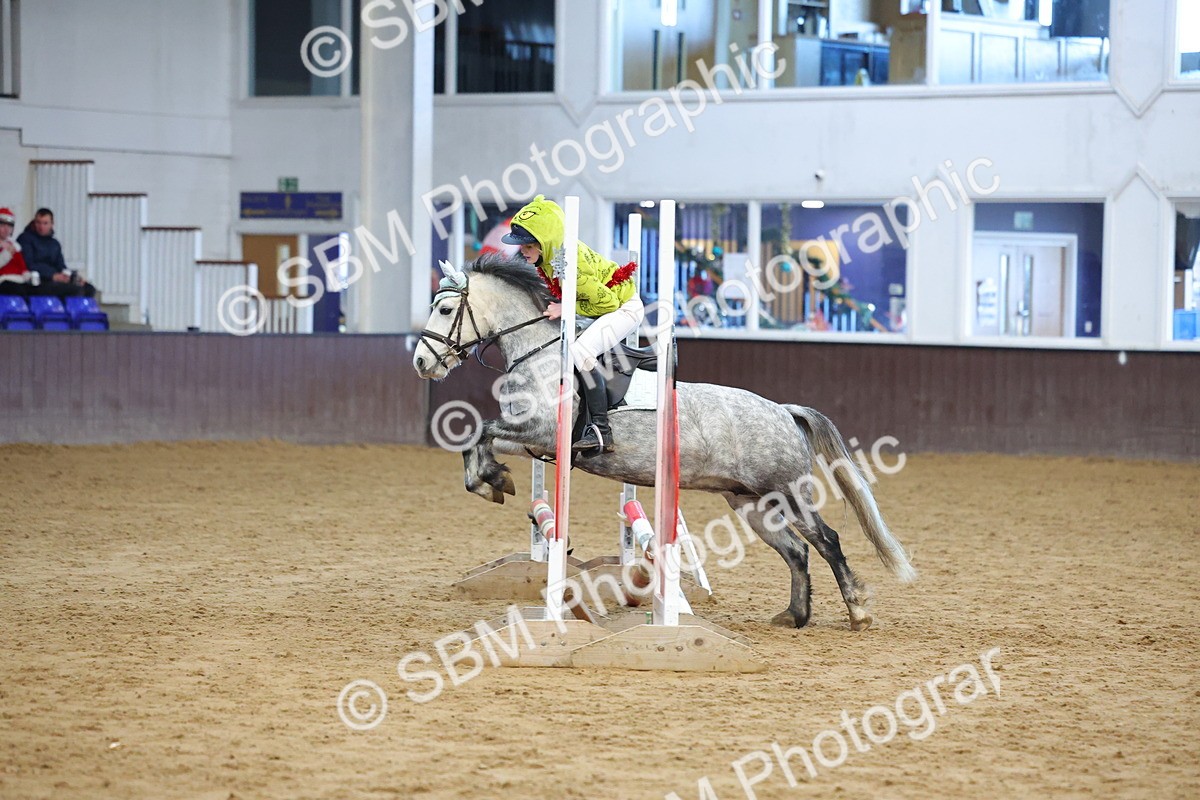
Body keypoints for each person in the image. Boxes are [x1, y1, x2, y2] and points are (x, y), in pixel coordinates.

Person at [501, 195, 644, 455]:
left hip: (624, 309)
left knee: (580, 351)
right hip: (604, 307)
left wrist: (565, 308)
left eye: (528, 246)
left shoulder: (571, 265)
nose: (522, 251)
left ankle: (601, 430)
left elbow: (608, 304)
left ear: (544, 243)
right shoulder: (551, 258)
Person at [17, 208, 97, 298]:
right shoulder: (25, 239)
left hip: (55, 279)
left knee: (89, 288)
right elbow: (29, 264)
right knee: (74, 290)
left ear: (52, 224)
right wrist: (52, 276)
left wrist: (72, 277)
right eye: (38, 222)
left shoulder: (55, 243)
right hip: (38, 281)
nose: (41, 227)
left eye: (45, 223)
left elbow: (61, 266)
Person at [0, 207, 35, 296]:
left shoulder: (15, 245)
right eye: (3, 225)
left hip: (18, 279)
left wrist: (28, 276)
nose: (6, 229)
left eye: (9, 225)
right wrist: (7, 254)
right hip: (4, 280)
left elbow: (23, 267)